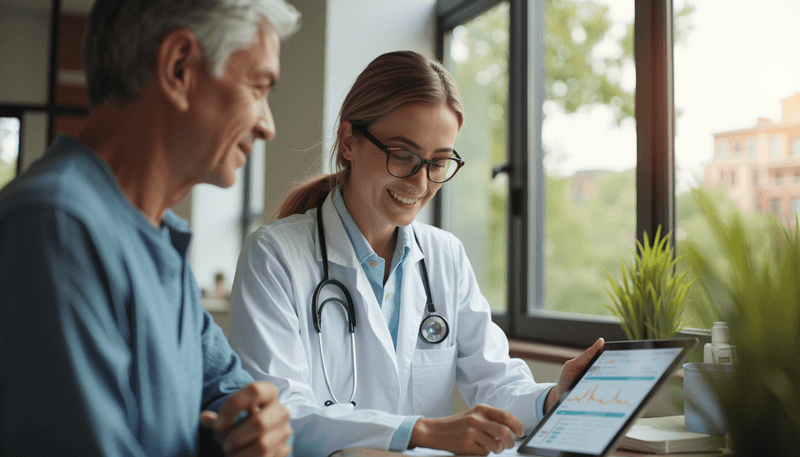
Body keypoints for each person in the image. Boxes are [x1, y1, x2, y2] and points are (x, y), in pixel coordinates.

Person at [227, 50, 605, 456]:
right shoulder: (274, 255)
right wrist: (421, 432)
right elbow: (281, 415)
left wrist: (553, 397)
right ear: (349, 140)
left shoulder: (445, 256)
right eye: (402, 155)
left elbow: (495, 380)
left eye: (439, 162)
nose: (421, 182)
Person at [0, 1, 300, 455]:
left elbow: (230, 398)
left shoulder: (160, 241)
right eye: (258, 88)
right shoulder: (57, 228)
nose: (267, 126)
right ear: (179, 68)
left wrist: (252, 429)